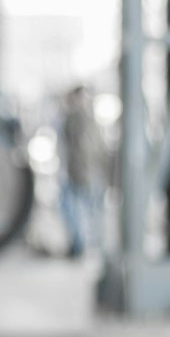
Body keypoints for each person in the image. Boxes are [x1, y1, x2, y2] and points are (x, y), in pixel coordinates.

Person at [57, 84, 108, 259]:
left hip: (81, 172)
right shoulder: (90, 117)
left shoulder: (76, 117)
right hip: (87, 172)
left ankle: (81, 245)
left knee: (76, 208)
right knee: (88, 210)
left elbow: (81, 148)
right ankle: (94, 245)